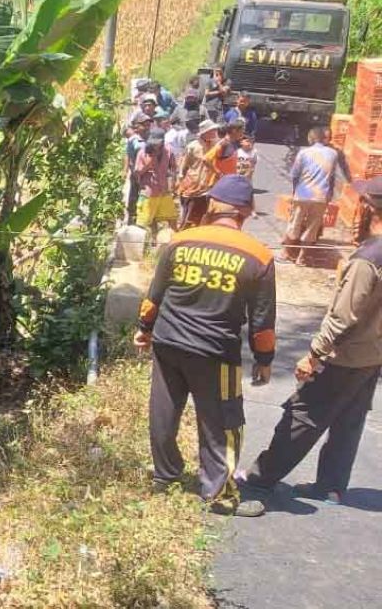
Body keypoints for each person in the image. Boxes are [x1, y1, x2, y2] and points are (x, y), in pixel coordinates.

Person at [135, 174, 276, 518]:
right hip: (216, 353)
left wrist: (144, 329)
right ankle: (219, 495)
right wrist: (264, 359)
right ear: (248, 210)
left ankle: (165, 477)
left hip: (168, 342)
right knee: (222, 422)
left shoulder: (181, 241)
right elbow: (263, 320)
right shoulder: (257, 255)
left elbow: (154, 295)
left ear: (213, 205)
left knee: (164, 411)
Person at [239, 177, 382, 505]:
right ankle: (330, 486)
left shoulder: (367, 259)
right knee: (349, 419)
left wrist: (314, 354)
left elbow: (344, 316)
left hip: (344, 356)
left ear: (369, 208)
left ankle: (261, 477)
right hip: (371, 355)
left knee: (303, 413)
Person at [280, 127, 339, 265]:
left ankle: (287, 253)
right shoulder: (333, 154)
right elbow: (332, 177)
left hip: (303, 194)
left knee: (295, 223)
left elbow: (295, 174)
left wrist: (295, 191)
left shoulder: (304, 153)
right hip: (321, 196)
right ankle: (302, 257)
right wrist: (329, 194)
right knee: (313, 227)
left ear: (311, 139)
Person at [177, 120, 236, 229]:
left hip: (208, 186)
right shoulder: (192, 146)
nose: (214, 133)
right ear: (205, 132)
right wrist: (180, 178)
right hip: (193, 185)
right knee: (188, 217)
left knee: (203, 216)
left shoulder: (216, 144)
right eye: (212, 131)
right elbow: (183, 165)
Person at [134, 127, 178, 240]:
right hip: (149, 191)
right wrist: (148, 165)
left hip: (163, 190)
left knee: (172, 217)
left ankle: (174, 240)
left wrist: (173, 181)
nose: (155, 146)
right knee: (146, 220)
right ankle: (152, 241)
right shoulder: (143, 153)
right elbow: (137, 172)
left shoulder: (168, 150)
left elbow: (173, 167)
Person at [125, 114, 154, 224]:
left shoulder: (152, 139)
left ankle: (146, 219)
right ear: (137, 126)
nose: (147, 127)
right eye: (144, 125)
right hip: (136, 173)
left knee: (147, 196)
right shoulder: (133, 140)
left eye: (148, 125)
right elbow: (128, 155)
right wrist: (126, 170)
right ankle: (132, 219)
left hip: (149, 174)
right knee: (134, 195)